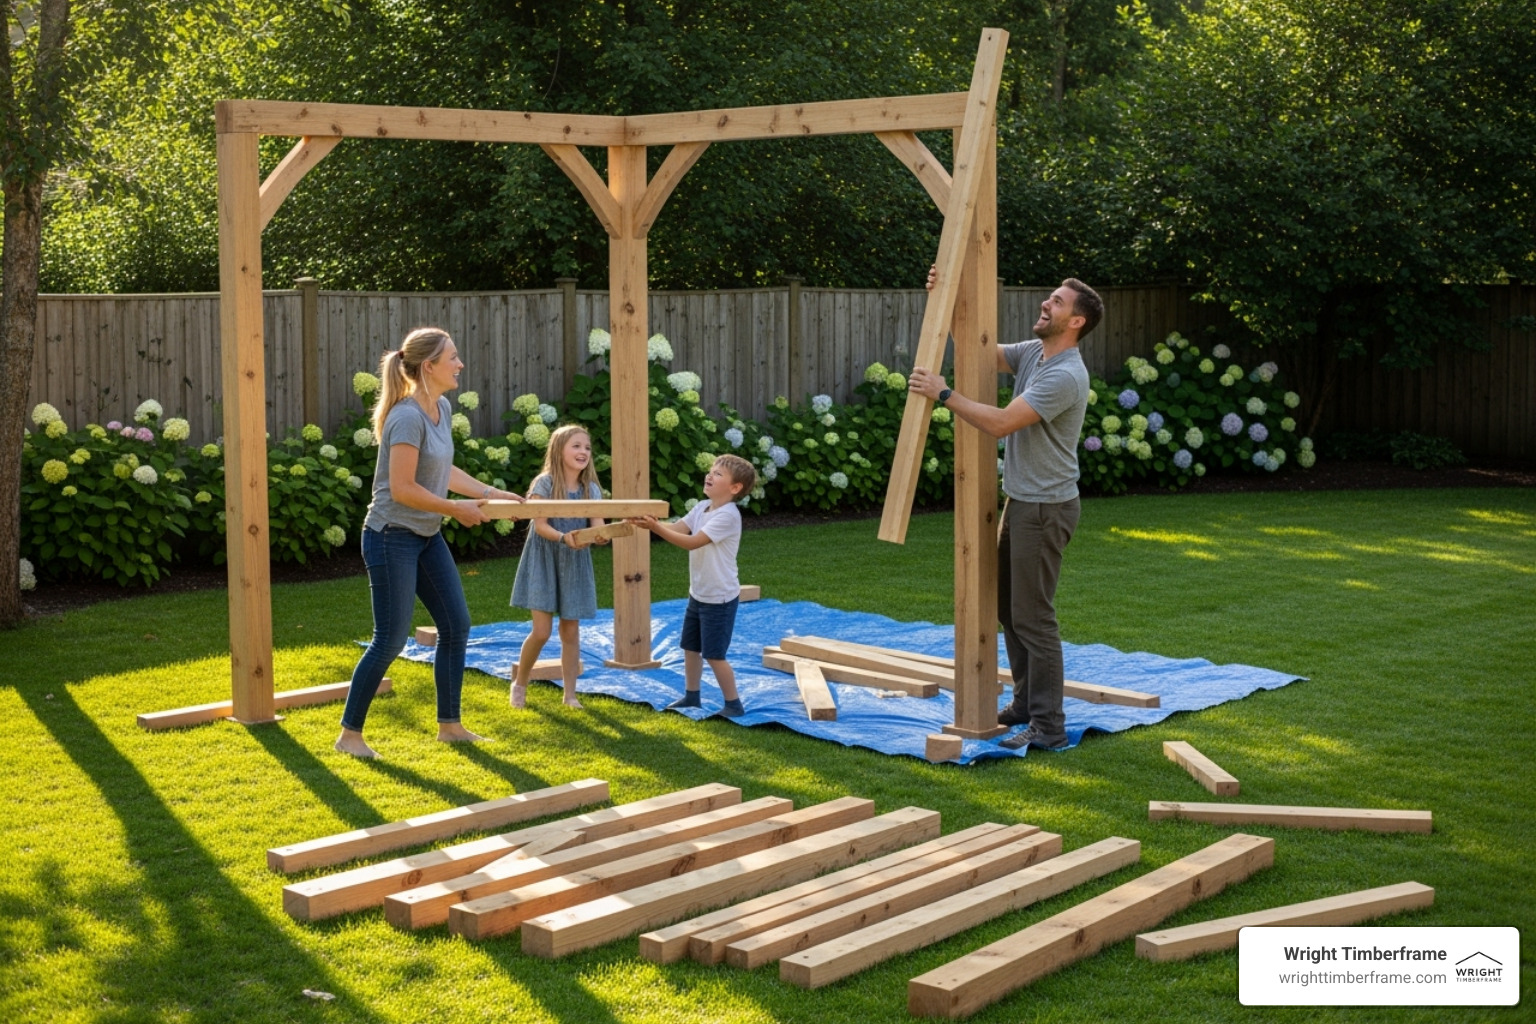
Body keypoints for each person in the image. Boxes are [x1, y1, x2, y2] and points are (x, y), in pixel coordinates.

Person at [909, 272, 1102, 750]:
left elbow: (1000, 424)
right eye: (1049, 298)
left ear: (1075, 321)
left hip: (1045, 509)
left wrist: (944, 395)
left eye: (1056, 303)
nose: (1045, 304)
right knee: (1011, 613)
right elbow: (981, 351)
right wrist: (946, 299)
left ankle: (1049, 727)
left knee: (1034, 618)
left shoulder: (1065, 374)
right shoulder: (1036, 353)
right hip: (1023, 503)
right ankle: (1023, 704)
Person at [336, 327, 523, 759]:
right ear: (429, 366)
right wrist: (456, 510)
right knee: (390, 639)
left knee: (456, 626)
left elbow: (443, 470)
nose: (460, 364)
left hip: (425, 535)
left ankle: (451, 726)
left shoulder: (439, 406)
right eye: (453, 357)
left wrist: (490, 494)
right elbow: (402, 488)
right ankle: (350, 735)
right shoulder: (406, 416)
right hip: (390, 537)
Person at [632, 454, 757, 718]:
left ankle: (733, 704)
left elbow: (691, 541)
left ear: (735, 488)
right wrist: (649, 524)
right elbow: (678, 528)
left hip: (720, 598)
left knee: (714, 655)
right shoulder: (702, 507)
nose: (710, 476)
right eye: (711, 471)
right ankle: (692, 696)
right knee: (690, 646)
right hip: (699, 593)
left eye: (718, 474)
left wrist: (655, 528)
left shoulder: (728, 516)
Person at [508, 424, 611, 710]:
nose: (583, 452)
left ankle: (570, 695)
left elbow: (597, 528)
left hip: (575, 561)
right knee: (541, 631)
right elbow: (539, 526)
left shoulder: (591, 489)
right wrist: (565, 538)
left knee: (571, 631)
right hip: (544, 558)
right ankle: (520, 684)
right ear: (559, 449)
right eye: (576, 446)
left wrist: (601, 537)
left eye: (587, 448)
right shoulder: (544, 483)